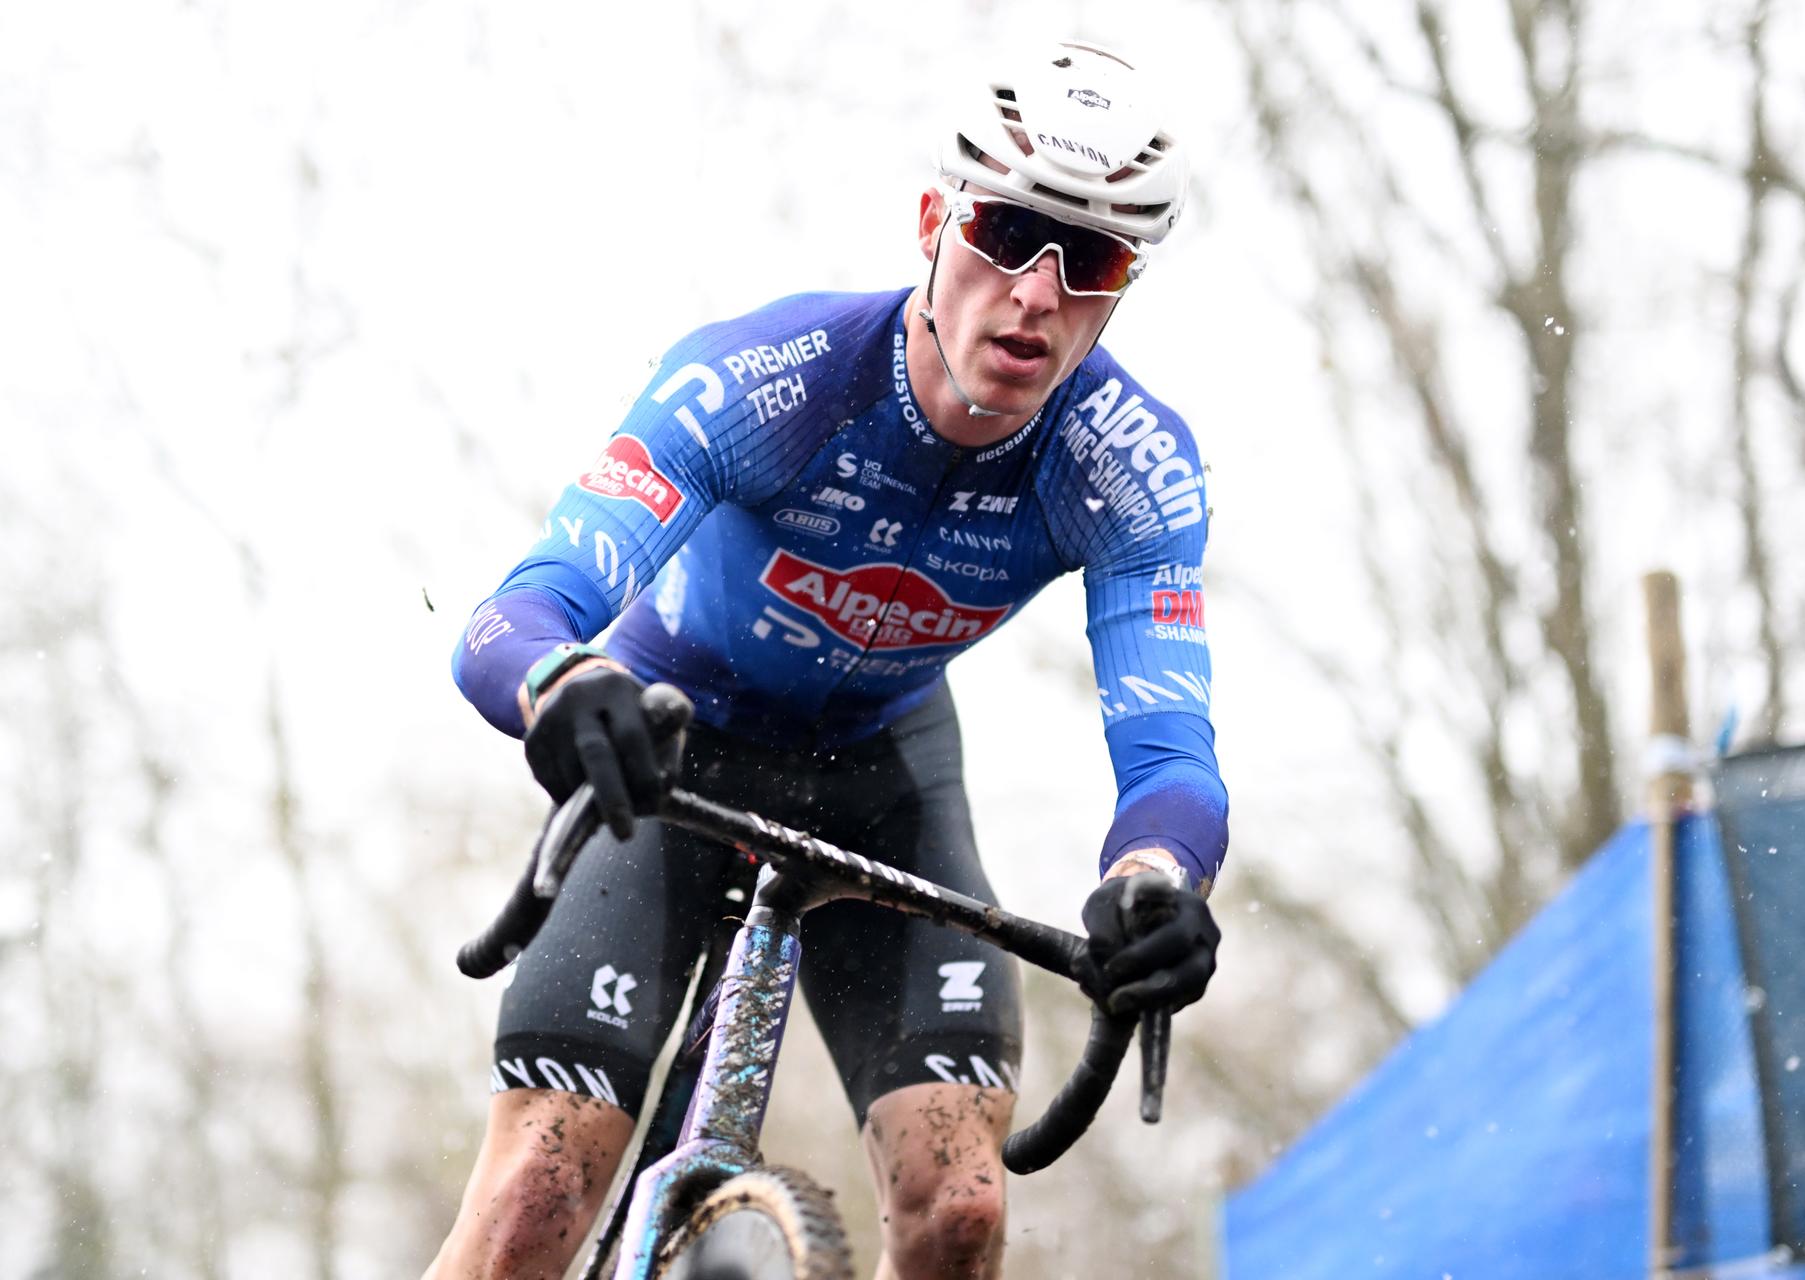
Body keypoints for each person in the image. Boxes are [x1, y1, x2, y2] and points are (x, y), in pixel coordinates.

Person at [426, 38, 1227, 1280]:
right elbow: (521, 610)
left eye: (1094, 258)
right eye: (1007, 233)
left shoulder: (1130, 469)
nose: (1034, 292)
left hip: (883, 780)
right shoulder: (768, 379)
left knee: (959, 1207)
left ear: (1125, 286)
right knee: (539, 1181)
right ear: (932, 222)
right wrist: (566, 685)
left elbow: (1170, 752)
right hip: (673, 754)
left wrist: (1160, 875)